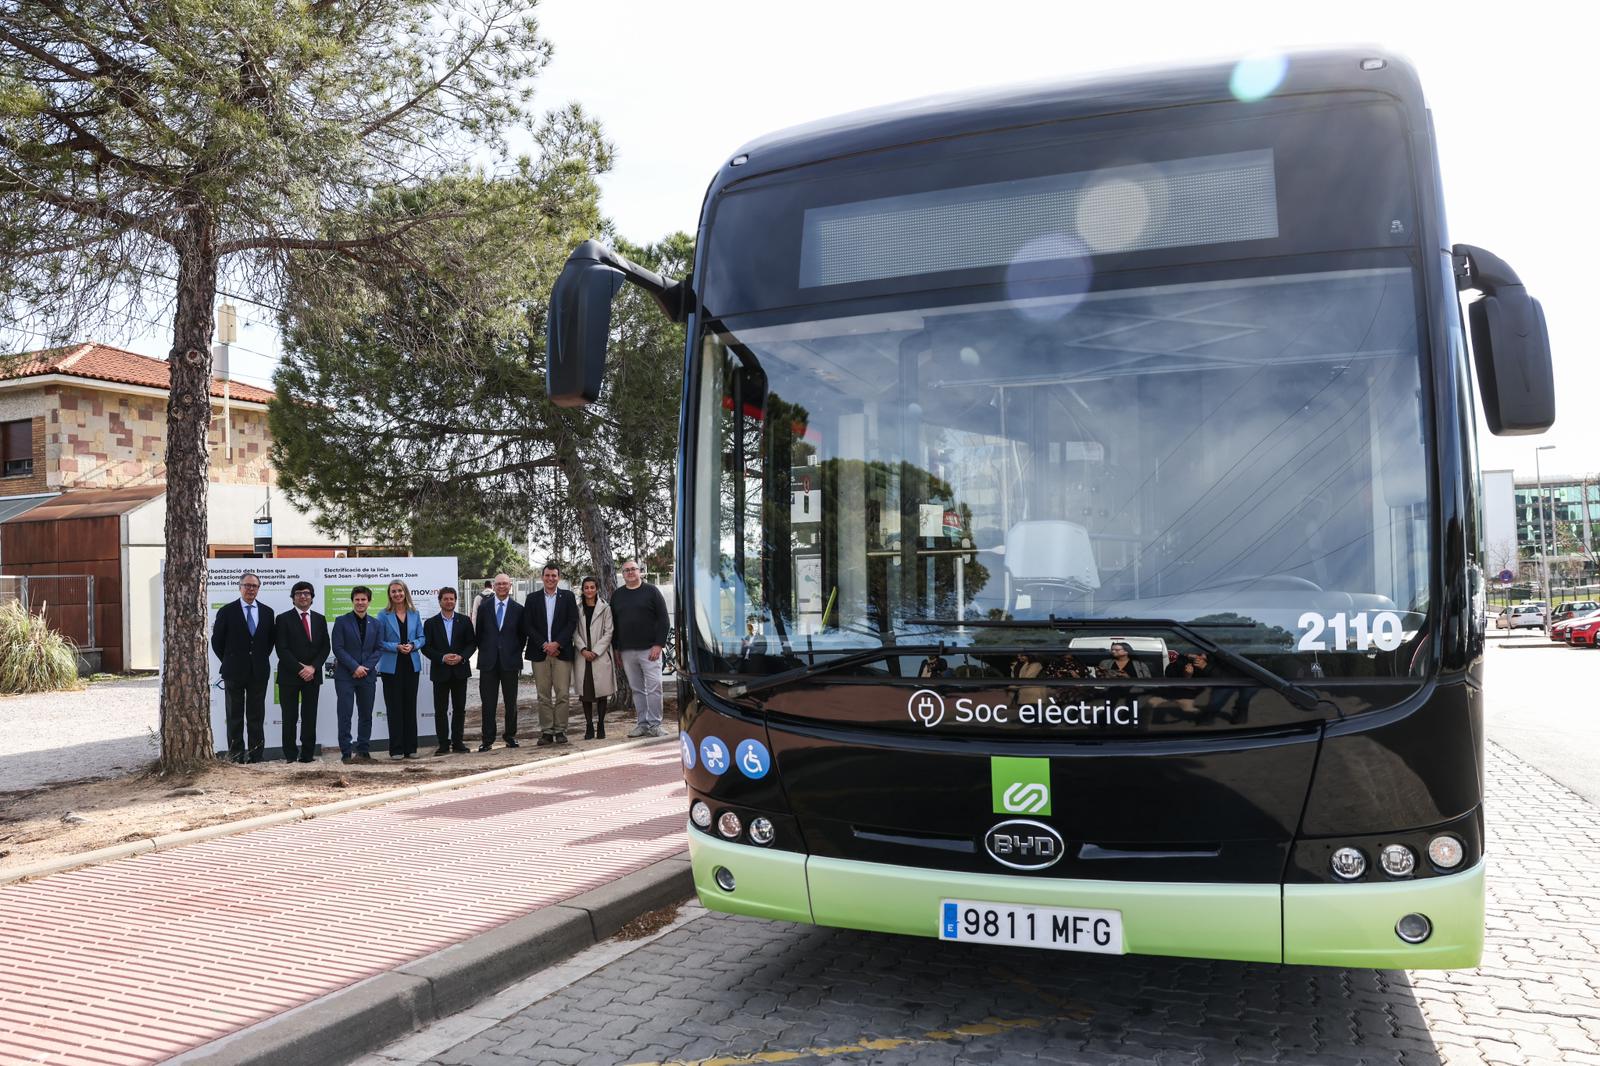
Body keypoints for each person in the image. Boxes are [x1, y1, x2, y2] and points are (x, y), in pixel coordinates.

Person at [210, 572, 277, 763]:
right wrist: (230, 659)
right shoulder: (226, 611)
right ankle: (236, 754)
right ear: (239, 587)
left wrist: (257, 658)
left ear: (258, 589)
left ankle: (256, 755)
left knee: (256, 715)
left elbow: (269, 641)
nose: (250, 589)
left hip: (258, 671)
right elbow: (217, 642)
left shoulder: (267, 612)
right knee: (234, 715)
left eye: (254, 586)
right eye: (247, 585)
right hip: (234, 671)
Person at [611, 559, 670, 737]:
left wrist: (658, 644)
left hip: (650, 650)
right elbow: (614, 624)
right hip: (627, 651)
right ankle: (642, 724)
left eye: (633, 569)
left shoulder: (651, 591)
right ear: (623, 574)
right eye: (626, 570)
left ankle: (655, 725)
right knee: (637, 689)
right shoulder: (618, 595)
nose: (630, 572)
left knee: (654, 687)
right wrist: (616, 649)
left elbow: (664, 620)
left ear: (640, 572)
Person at [274, 580, 330, 763]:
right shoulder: (282, 619)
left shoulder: (320, 619)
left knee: (309, 716)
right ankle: (290, 755)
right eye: (298, 593)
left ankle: (307, 755)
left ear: (312, 598)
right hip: (289, 676)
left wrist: (313, 667)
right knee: (289, 717)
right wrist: (301, 669)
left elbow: (325, 647)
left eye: (306, 593)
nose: (303, 596)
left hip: (313, 676)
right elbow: (282, 649)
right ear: (293, 598)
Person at [522, 563, 578, 746]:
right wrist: (544, 644)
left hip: (561, 652)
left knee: (562, 693)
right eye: (547, 575)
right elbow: (527, 625)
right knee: (543, 694)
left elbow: (572, 622)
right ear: (542, 577)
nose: (550, 578)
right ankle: (546, 731)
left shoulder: (568, 597)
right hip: (540, 653)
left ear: (559, 578)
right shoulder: (532, 598)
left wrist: (557, 643)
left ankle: (560, 730)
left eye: (554, 575)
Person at [331, 586, 382, 764]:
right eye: (357, 599)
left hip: (367, 676)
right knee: (345, 714)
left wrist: (365, 668)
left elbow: (378, 649)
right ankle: (346, 752)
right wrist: (355, 667)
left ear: (369, 601)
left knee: (366, 714)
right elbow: (337, 648)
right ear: (352, 601)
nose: (360, 603)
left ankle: (363, 750)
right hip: (346, 676)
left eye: (364, 599)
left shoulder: (376, 624)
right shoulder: (341, 621)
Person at [423, 586, 477, 754]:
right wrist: (442, 657)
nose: (449, 601)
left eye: (451, 598)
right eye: (445, 599)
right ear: (440, 601)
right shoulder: (431, 623)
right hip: (440, 671)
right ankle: (443, 744)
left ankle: (458, 742)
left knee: (459, 708)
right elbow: (426, 647)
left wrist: (462, 657)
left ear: (455, 600)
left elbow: (472, 643)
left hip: (460, 670)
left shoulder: (465, 621)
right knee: (441, 710)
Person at [474, 572, 524, 750]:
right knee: (488, 703)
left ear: (510, 586)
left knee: (511, 702)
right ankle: (487, 739)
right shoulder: (484, 608)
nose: (502, 586)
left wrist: (511, 651)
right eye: (498, 584)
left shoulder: (518, 609)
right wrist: (488, 650)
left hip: (510, 662)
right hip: (488, 662)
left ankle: (510, 736)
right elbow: (479, 634)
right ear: (493, 587)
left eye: (505, 584)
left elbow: (521, 636)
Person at [377, 579, 425, 759]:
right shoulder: (383, 615)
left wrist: (413, 645)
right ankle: (396, 749)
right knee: (394, 708)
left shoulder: (414, 613)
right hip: (392, 667)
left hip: (411, 665)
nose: (397, 594)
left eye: (400, 591)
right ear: (389, 595)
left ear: (405, 592)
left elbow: (422, 637)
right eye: (393, 591)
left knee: (409, 707)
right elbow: (379, 641)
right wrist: (396, 647)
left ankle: (411, 748)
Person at [572, 575, 616, 740]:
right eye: (586, 588)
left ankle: (601, 725)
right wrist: (583, 649)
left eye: (592, 587)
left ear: (597, 589)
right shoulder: (577, 609)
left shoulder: (605, 608)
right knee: (586, 693)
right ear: (582, 590)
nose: (589, 590)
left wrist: (595, 651)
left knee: (601, 692)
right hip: (583, 655)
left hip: (599, 655)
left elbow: (609, 632)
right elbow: (574, 631)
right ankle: (589, 725)